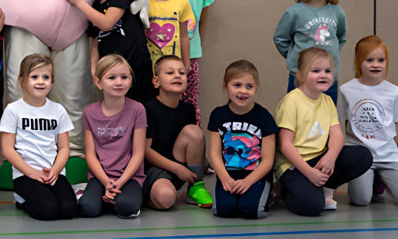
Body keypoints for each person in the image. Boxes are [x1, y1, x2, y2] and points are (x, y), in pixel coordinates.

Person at [275, 48, 372, 216]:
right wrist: (309, 172)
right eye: (316, 70)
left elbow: (337, 135)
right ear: (300, 75)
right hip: (294, 164)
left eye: (327, 71)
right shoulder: (291, 101)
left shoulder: (327, 101)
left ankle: (326, 186)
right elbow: (285, 145)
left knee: (363, 156)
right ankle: (283, 190)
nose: (323, 75)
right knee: (313, 206)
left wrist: (330, 157)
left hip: (318, 159)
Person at [61, 0, 154, 102]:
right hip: (112, 71)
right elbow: (95, 43)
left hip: (136, 65)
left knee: (141, 107)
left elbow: (106, 23)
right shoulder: (95, 6)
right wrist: (94, 69)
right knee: (117, 107)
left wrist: (78, 2)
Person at [339, 36, 398, 206]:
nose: (376, 64)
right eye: (369, 60)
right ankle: (369, 182)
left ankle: (379, 179)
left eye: (381, 60)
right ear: (358, 61)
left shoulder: (394, 91)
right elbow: (345, 124)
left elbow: (395, 127)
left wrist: (392, 151)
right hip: (362, 157)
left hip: (387, 156)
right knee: (361, 200)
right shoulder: (346, 90)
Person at [0, 54, 77, 220]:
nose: (41, 81)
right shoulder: (13, 110)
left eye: (46, 77)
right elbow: (8, 149)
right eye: (34, 77)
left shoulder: (58, 110)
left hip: (52, 173)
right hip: (25, 175)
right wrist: (31, 172)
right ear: (22, 81)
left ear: (52, 81)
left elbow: (64, 148)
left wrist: (55, 170)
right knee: (48, 211)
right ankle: (21, 199)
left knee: (69, 210)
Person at [79, 55, 146, 219]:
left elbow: (138, 153)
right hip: (100, 176)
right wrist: (106, 182)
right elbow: (90, 154)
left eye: (124, 77)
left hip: (129, 176)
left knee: (127, 207)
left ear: (131, 80)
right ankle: (103, 197)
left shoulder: (138, 109)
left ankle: (118, 198)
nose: (119, 82)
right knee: (88, 208)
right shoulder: (89, 112)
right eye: (111, 78)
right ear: (98, 82)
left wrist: (120, 182)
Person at [207, 60, 276, 219]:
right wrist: (225, 178)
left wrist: (248, 181)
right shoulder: (218, 115)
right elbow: (215, 153)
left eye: (249, 86)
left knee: (251, 210)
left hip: (255, 176)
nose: (243, 91)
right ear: (226, 86)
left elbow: (268, 160)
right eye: (237, 85)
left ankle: (269, 193)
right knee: (223, 210)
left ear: (256, 87)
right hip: (229, 175)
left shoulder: (264, 116)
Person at [144, 55, 213, 210]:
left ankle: (196, 187)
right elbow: (145, 151)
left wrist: (198, 165)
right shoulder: (148, 109)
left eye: (181, 73)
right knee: (166, 199)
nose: (177, 75)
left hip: (179, 166)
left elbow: (193, 142)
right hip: (155, 169)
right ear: (156, 81)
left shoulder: (188, 109)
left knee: (194, 131)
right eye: (170, 72)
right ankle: (146, 197)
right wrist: (176, 168)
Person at [273, 0, 347, 103]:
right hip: (300, 76)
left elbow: (341, 37)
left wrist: (330, 55)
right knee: (298, 111)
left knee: (327, 111)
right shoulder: (295, 12)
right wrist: (295, 57)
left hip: (328, 77)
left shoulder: (337, 12)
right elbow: (280, 39)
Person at [171, 0, 216, 125]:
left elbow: (203, 22)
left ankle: (192, 129)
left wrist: (198, 45)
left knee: (189, 95)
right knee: (169, 94)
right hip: (168, 52)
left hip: (192, 53)